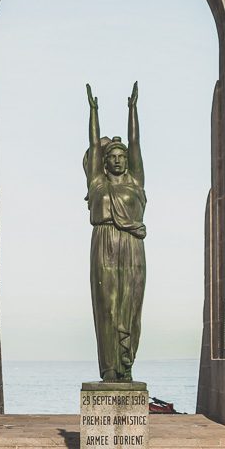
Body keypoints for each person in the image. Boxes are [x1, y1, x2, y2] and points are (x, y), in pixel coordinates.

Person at [84, 82, 146, 380]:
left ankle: (126, 365)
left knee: (130, 306)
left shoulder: (136, 182)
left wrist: (132, 110)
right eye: (113, 156)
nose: (119, 159)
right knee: (107, 306)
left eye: (122, 156)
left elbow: (136, 144)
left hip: (132, 244)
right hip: (104, 242)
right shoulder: (97, 183)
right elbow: (94, 145)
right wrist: (93, 112)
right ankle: (109, 368)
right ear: (105, 162)